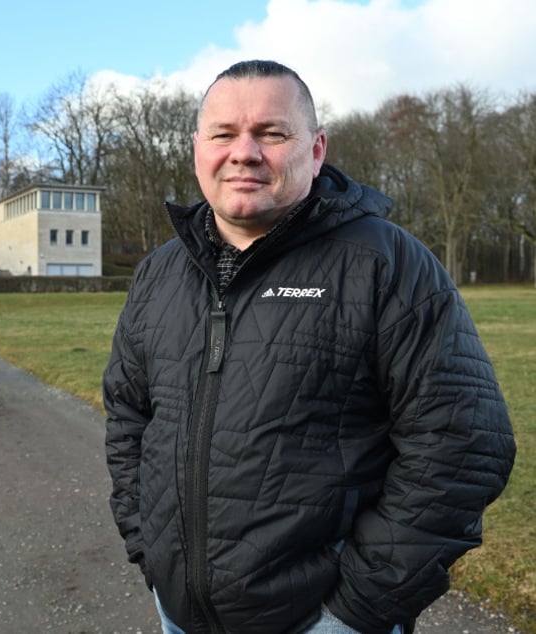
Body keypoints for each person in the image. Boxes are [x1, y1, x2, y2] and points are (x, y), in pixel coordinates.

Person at [102, 60, 516, 634]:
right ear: (198, 147)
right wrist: (149, 550)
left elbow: (462, 444)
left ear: (317, 148)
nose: (243, 152)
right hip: (181, 614)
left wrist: (355, 611)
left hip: (321, 620)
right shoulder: (159, 273)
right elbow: (128, 417)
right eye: (223, 134)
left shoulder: (384, 262)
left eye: (272, 133)